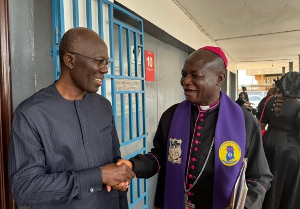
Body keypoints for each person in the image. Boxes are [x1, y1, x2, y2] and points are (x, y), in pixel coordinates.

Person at [117, 46, 273, 209]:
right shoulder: (171, 115)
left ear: (219, 78)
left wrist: (245, 205)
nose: (185, 81)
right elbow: (160, 157)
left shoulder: (245, 121)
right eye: (184, 74)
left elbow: (259, 177)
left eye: (195, 75)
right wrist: (133, 166)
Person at [8, 27, 135, 209]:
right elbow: (25, 189)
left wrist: (119, 179)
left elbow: (115, 163)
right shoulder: (31, 113)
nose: (105, 70)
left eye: (106, 62)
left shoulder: (103, 106)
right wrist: (98, 176)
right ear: (69, 60)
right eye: (99, 62)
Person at [259, 72, 300, 209]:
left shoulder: (270, 100)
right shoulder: (298, 104)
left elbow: (262, 124)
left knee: (267, 178)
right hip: (290, 148)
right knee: (289, 184)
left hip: (268, 143)